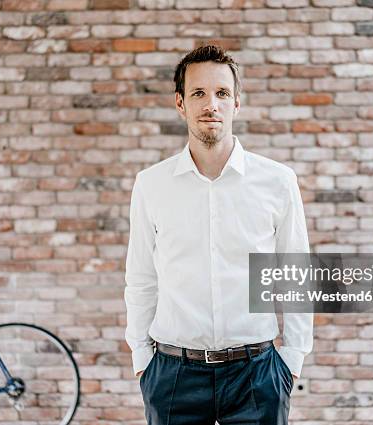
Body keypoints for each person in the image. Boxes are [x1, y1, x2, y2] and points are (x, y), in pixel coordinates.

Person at [124, 45, 313, 425]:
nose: (211, 104)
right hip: (173, 375)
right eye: (198, 93)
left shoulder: (277, 182)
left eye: (222, 93)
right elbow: (141, 278)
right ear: (180, 103)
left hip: (257, 375)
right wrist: (142, 360)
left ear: (236, 104)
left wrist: (292, 360)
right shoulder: (151, 185)